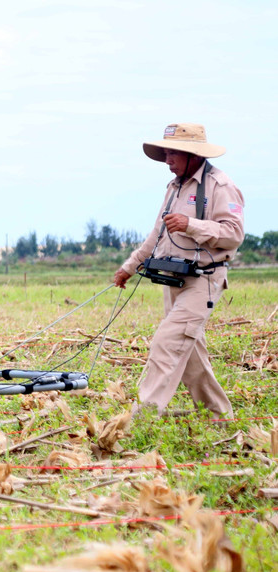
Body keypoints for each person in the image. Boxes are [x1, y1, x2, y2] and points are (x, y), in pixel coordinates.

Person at [114, 123, 244, 418]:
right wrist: (129, 267)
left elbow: (234, 233)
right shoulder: (175, 187)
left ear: (194, 155)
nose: (168, 160)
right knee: (192, 357)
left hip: (204, 280)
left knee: (167, 341)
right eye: (167, 153)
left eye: (174, 153)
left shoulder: (221, 186)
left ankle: (141, 418)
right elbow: (157, 233)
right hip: (173, 277)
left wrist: (190, 224)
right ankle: (218, 416)